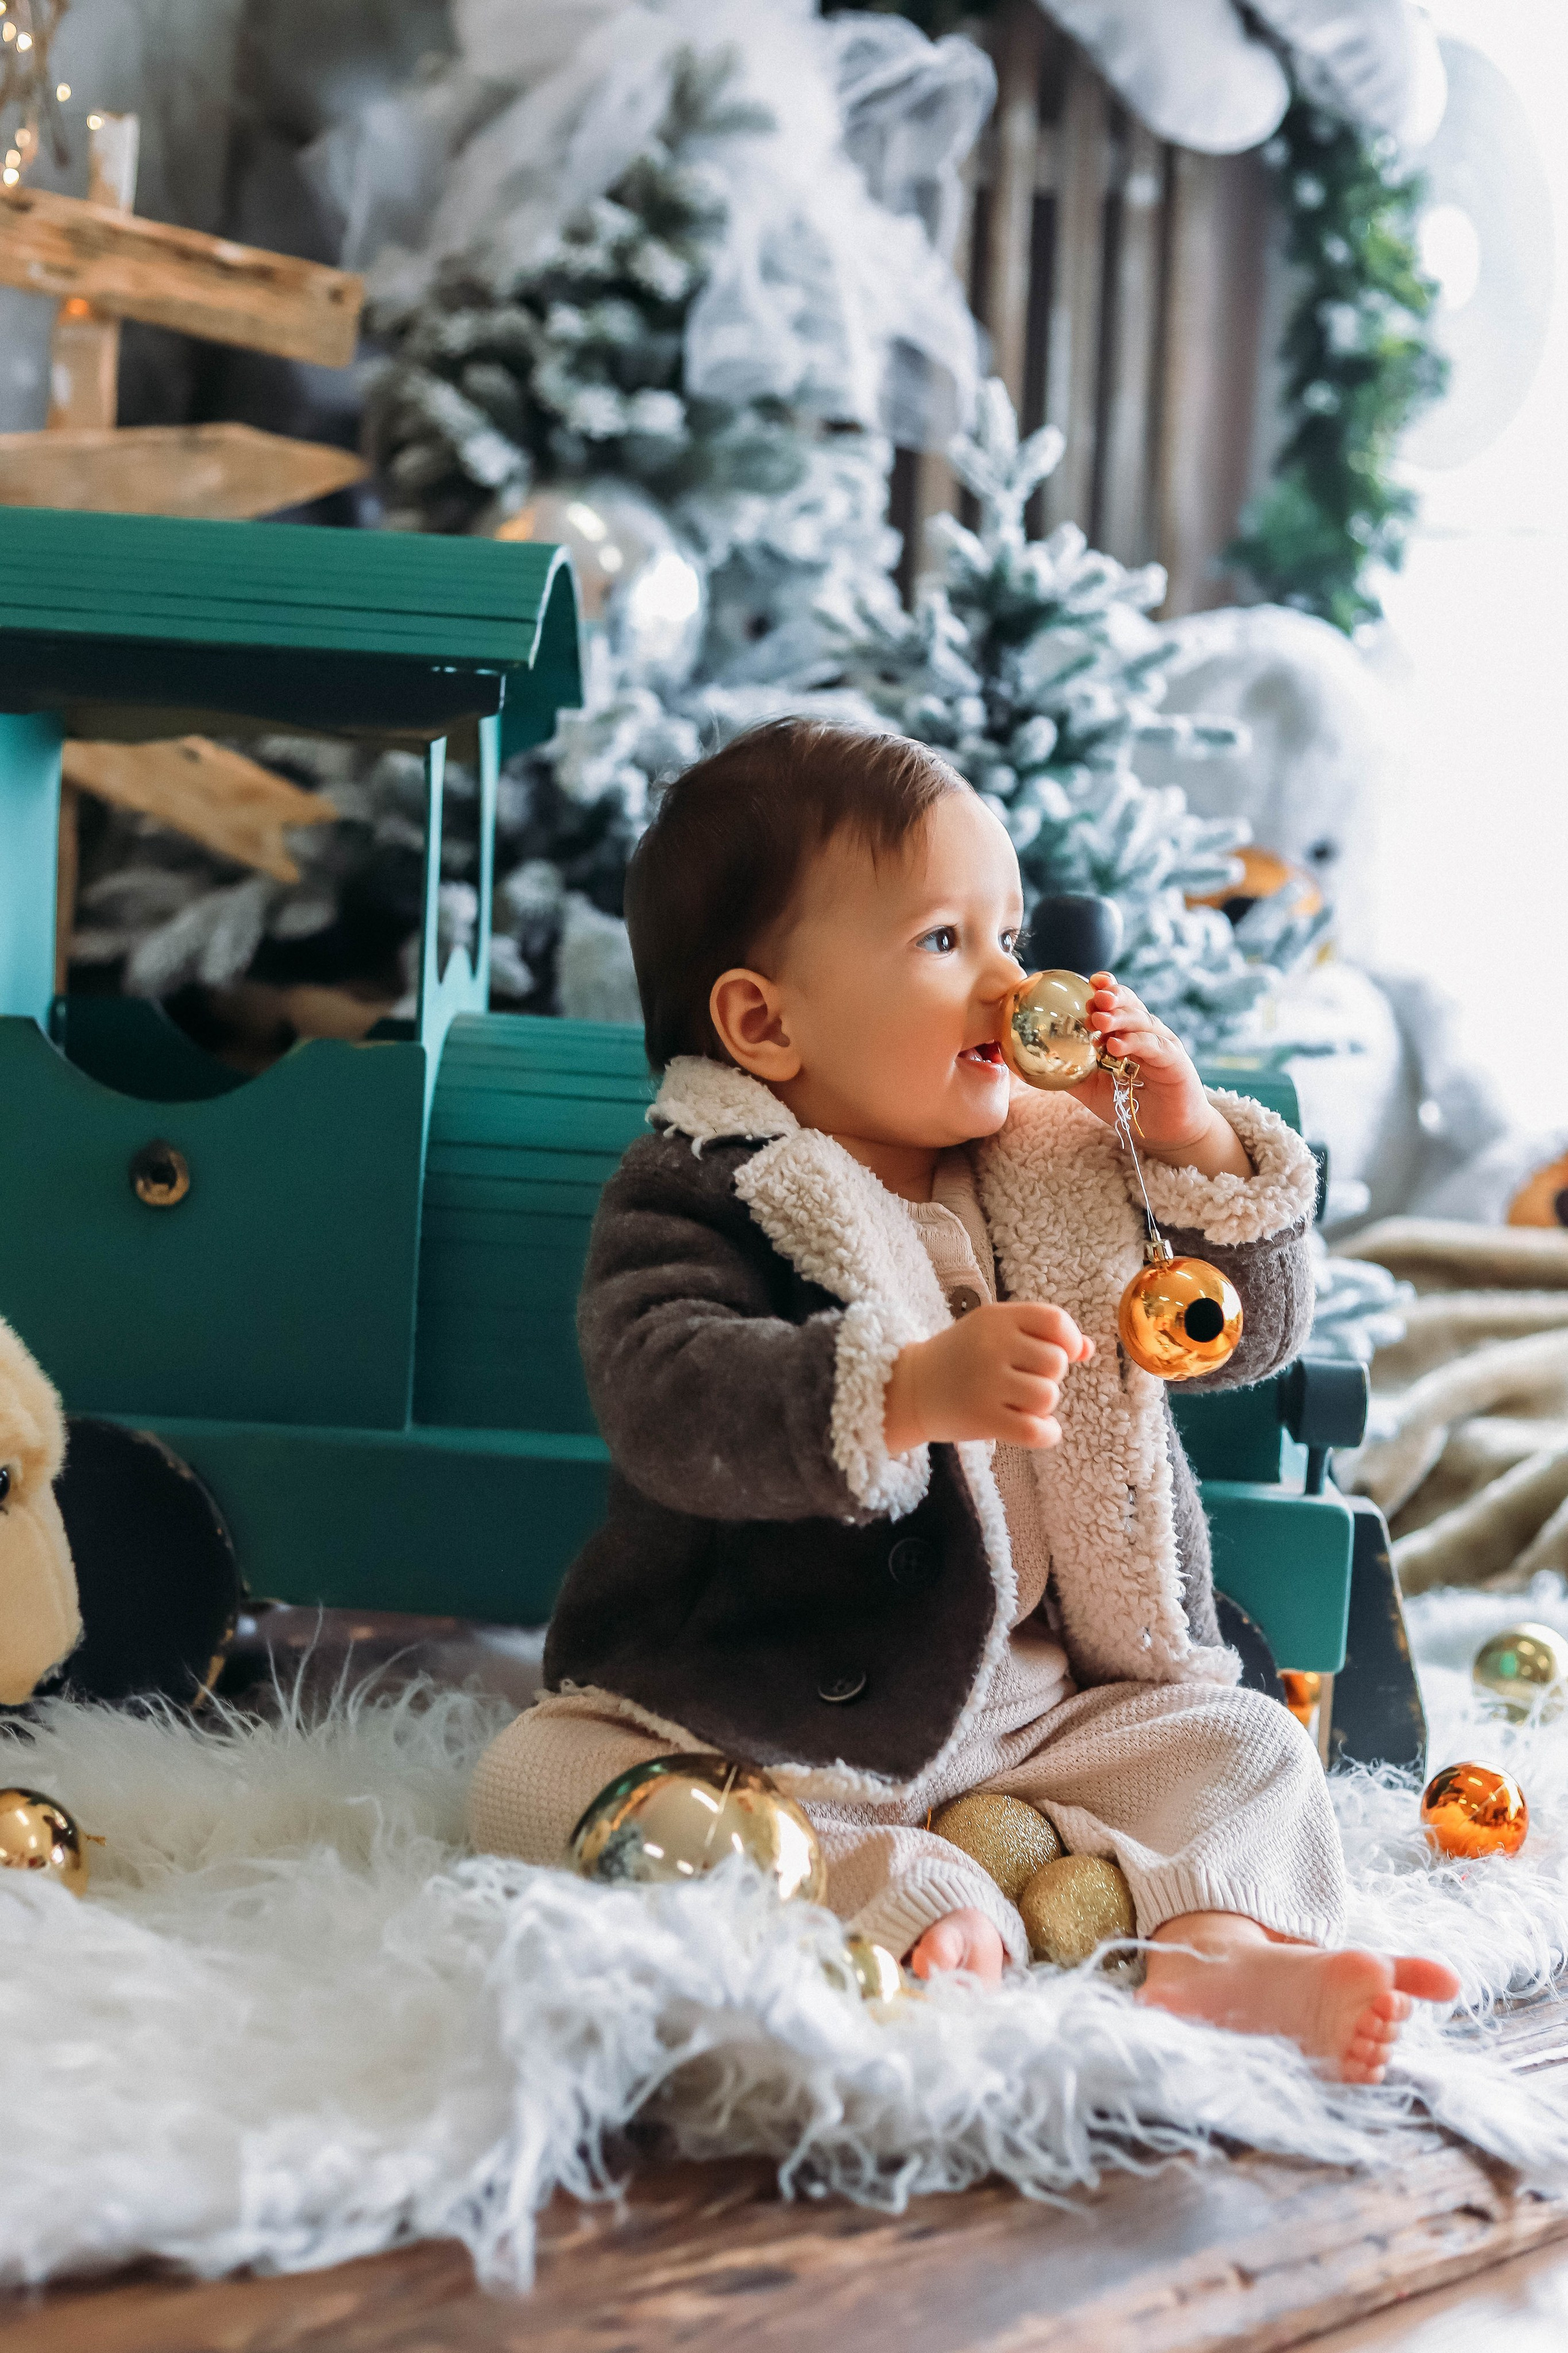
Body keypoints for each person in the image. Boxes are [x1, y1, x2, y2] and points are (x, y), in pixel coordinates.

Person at [469, 720, 1458, 2081]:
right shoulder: (707, 1185)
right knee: (536, 1775)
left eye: (1009, 935)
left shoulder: (1052, 1160)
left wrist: (1186, 1141)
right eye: (946, 942)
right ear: (764, 1020)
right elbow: (664, 1390)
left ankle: (1218, 1950)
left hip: (1042, 1703)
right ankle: (921, 1903)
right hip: (776, 1700)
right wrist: (898, 1389)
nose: (1010, 983)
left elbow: (1242, 1340)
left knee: (1244, 1747)